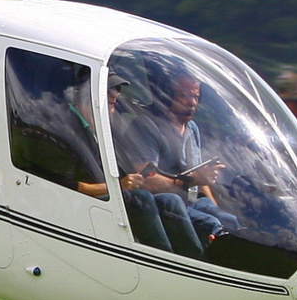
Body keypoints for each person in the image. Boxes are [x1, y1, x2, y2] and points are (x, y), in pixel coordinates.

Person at [82, 77, 205, 258]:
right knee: (149, 198)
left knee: (210, 210)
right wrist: (120, 186)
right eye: (108, 93)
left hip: (188, 200)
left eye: (116, 94)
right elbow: (67, 184)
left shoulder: (107, 131)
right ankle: (171, 263)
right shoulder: (71, 129)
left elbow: (201, 179)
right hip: (91, 204)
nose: (115, 95)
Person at [133, 74, 241, 245]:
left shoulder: (192, 128)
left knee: (229, 221)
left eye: (196, 97)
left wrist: (215, 207)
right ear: (165, 95)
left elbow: (198, 176)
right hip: (163, 203)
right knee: (211, 225)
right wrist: (190, 180)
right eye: (185, 96)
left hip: (190, 200)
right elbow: (145, 180)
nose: (192, 103)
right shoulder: (147, 126)